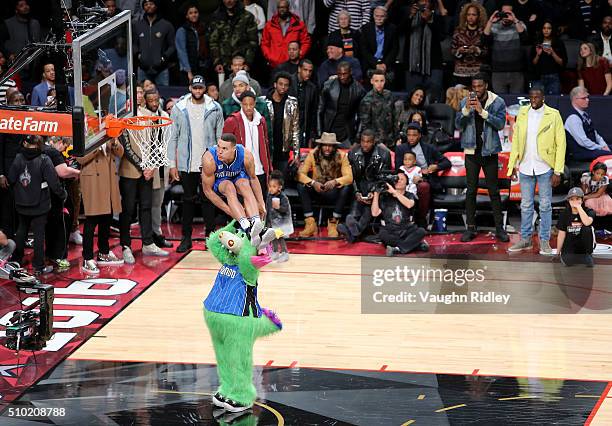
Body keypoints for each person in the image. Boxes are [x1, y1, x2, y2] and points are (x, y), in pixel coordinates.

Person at [168, 75, 225, 252]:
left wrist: (220, 161)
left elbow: (220, 137)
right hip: (187, 162)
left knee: (209, 199)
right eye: (195, 88)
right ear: (190, 88)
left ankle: (211, 238)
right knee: (188, 200)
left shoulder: (215, 108)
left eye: (201, 88)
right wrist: (172, 164)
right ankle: (186, 238)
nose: (198, 91)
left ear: (204, 89)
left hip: (209, 163)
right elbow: (173, 137)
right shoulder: (179, 108)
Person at [508, 86, 566, 255]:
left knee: (545, 205)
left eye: (537, 97)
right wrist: (512, 166)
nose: (534, 100)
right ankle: (525, 239)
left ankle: (544, 241)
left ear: (543, 98)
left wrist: (558, 170)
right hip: (526, 165)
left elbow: (561, 143)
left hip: (545, 166)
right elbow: (517, 142)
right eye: (531, 97)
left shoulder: (553, 114)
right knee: (526, 205)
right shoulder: (523, 113)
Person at [455, 73, 509, 242]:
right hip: (471, 152)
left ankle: (500, 229)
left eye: (479, 86)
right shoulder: (465, 102)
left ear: (486, 85)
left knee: (494, 191)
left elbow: (500, 124)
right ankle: (470, 228)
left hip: (489, 151)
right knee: (471, 191)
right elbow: (457, 125)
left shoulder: (497, 101)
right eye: (474, 87)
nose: (476, 90)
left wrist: (482, 112)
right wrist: (466, 111)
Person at [201, 134, 276, 247]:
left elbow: (253, 178)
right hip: (220, 183)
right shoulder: (209, 159)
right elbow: (207, 191)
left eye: (224, 148)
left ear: (234, 149)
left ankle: (257, 226)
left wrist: (261, 204)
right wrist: (229, 211)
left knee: (244, 183)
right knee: (229, 186)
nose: (219, 151)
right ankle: (247, 227)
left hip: (238, 178)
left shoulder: (246, 156)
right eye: (219, 147)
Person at [9, 136, 67, 275]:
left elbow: (11, 178)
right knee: (39, 235)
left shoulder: (18, 158)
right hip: (40, 203)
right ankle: (38, 266)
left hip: (21, 202)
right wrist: (62, 194)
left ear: (24, 143)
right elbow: (54, 182)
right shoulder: (44, 159)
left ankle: (16, 260)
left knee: (22, 231)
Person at [76, 138, 124, 274]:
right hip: (93, 181)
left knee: (107, 217)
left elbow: (120, 153)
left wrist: (114, 142)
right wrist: (97, 146)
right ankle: (87, 258)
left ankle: (104, 252)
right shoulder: (85, 134)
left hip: (108, 179)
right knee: (91, 220)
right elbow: (80, 159)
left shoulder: (109, 134)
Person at [338, 129, 391, 243]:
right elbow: (351, 176)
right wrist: (357, 192)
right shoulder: (353, 153)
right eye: (363, 141)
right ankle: (354, 230)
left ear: (374, 142)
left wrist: (374, 192)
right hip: (359, 187)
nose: (365, 144)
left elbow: (383, 177)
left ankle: (353, 233)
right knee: (356, 209)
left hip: (377, 189)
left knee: (368, 207)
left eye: (368, 142)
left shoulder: (384, 154)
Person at [395, 122, 451, 228]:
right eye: (409, 135)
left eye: (414, 135)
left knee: (423, 186)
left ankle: (421, 219)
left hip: (425, 178)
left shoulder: (429, 148)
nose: (411, 138)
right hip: (406, 179)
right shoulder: (401, 149)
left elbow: (447, 162)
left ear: (420, 135)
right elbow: (398, 170)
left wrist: (435, 167)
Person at [296, 132, 353, 237]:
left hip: (332, 191)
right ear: (321, 145)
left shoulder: (342, 156)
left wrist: (335, 182)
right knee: (300, 185)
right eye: (325, 145)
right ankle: (310, 224)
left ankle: (333, 222)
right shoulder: (313, 154)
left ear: (334, 147)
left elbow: (349, 177)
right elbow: (300, 174)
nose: (327, 148)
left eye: (330, 146)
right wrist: (313, 183)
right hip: (316, 189)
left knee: (347, 187)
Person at [141, 89, 173, 249]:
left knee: (158, 203)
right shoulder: (144, 117)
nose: (154, 103)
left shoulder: (165, 117)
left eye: (156, 100)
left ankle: (156, 233)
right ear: (145, 101)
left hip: (162, 166)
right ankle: (154, 235)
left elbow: (169, 143)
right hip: (147, 167)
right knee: (150, 204)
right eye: (150, 100)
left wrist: (172, 165)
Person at [223, 91, 272, 195]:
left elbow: (266, 146)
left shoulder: (261, 121)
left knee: (259, 205)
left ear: (255, 104)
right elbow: (223, 147)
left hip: (259, 170)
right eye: (245, 104)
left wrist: (268, 168)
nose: (248, 107)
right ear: (241, 104)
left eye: (251, 104)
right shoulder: (232, 121)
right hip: (240, 172)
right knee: (242, 205)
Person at [371, 172, 429, 256]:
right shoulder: (385, 196)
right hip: (389, 230)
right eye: (397, 179)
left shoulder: (410, 195)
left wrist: (394, 192)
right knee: (383, 235)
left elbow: (409, 204)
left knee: (421, 231)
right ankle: (415, 244)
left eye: (402, 179)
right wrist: (376, 194)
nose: (398, 181)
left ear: (407, 184)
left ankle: (397, 249)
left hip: (406, 229)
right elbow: (374, 213)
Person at [403, 0, 445, 102]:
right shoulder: (408, 14)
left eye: (426, 1)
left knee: (433, 98)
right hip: (413, 66)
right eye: (422, 1)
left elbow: (441, 36)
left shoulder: (437, 17)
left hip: (433, 66)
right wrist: (411, 16)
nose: (424, 4)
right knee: (413, 99)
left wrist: (430, 21)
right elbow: (400, 31)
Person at [484, 3, 529, 94]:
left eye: (509, 13)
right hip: (498, 71)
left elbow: (525, 39)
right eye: (503, 13)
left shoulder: (519, 25)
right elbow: (484, 40)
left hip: (516, 71)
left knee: (516, 102)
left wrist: (515, 20)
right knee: (499, 101)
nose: (505, 16)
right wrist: (490, 21)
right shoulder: (494, 26)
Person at [318, 62, 366, 147]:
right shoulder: (328, 86)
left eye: (344, 74)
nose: (342, 77)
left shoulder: (359, 90)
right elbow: (320, 110)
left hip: (347, 134)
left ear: (350, 72)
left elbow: (361, 116)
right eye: (339, 74)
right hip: (328, 131)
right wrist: (319, 133)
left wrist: (357, 139)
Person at [208, 0, 259, 75]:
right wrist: (217, 62)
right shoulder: (216, 17)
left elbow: (253, 41)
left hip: (242, 65)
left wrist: (247, 62)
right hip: (222, 65)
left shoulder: (247, 17)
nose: (229, 1)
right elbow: (213, 42)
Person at [263, 73, 300, 174]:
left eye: (286, 85)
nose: (283, 87)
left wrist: (296, 154)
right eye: (280, 84)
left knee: (281, 181)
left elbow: (295, 129)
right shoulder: (263, 102)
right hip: (267, 147)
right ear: (275, 84)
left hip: (283, 148)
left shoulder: (292, 103)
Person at [133, 0, 175, 86]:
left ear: (156, 6)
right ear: (143, 7)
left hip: (161, 70)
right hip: (143, 69)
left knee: (163, 96)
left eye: (151, 4)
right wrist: (138, 55)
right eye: (146, 4)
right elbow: (134, 44)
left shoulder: (166, 25)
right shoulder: (137, 25)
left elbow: (172, 46)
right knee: (142, 96)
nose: (148, 6)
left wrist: (164, 57)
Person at [564, 86, 612, 161]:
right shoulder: (573, 118)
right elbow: (583, 141)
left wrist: (604, 145)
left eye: (587, 97)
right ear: (574, 99)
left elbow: (596, 135)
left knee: (609, 148)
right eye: (584, 98)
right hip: (582, 153)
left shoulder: (584, 114)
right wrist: (600, 148)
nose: (587, 100)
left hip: (592, 148)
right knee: (609, 154)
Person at [261, 0, 311, 69]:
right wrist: (270, 57)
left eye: (284, 7)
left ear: (288, 8)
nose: (282, 9)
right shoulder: (269, 25)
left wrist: (299, 54)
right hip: (274, 64)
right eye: (279, 7)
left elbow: (305, 42)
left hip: (293, 64)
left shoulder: (298, 24)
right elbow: (264, 43)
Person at [556, 187, 596, 267]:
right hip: (570, 244)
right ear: (568, 201)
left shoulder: (589, 211)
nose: (575, 201)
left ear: (582, 200)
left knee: (587, 228)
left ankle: (588, 255)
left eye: (577, 199)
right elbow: (561, 234)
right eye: (572, 199)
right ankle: (579, 258)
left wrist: (579, 207)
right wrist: (557, 253)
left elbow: (587, 222)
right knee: (568, 260)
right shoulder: (564, 214)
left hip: (583, 246)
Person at [451, 2, 488, 87]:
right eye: (468, 15)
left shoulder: (483, 33)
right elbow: (452, 50)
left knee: (474, 98)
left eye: (474, 15)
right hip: (460, 73)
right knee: (461, 97)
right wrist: (459, 51)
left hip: (477, 73)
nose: (470, 17)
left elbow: (486, 51)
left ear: (478, 16)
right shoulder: (458, 32)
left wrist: (476, 50)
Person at [359, 70, 397, 148]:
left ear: (385, 81)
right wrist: (375, 141)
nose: (379, 84)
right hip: (375, 142)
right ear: (372, 81)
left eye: (381, 81)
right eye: (376, 81)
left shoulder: (389, 95)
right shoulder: (367, 100)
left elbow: (394, 118)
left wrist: (397, 137)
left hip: (391, 140)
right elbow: (365, 125)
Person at [359, 6, 398, 81]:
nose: (379, 18)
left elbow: (394, 49)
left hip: (386, 64)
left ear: (386, 17)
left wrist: (385, 64)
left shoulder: (392, 29)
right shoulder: (366, 28)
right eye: (377, 16)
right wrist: (376, 64)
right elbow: (364, 50)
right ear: (373, 16)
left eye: (382, 16)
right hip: (370, 63)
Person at [175, 3, 209, 85]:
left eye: (195, 12)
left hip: (202, 67)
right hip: (188, 69)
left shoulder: (204, 28)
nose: (194, 15)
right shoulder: (182, 30)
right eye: (190, 13)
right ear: (187, 16)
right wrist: (188, 71)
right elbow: (181, 52)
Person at [530, 20, 567, 95]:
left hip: (554, 77)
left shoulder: (558, 43)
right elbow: (533, 63)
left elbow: (562, 63)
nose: (546, 30)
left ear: (552, 30)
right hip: (539, 78)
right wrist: (538, 54)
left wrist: (553, 53)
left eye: (549, 28)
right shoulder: (537, 43)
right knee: (538, 103)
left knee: (554, 102)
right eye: (544, 28)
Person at [288, 59, 318, 147]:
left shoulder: (312, 88)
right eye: (305, 70)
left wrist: (312, 136)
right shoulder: (288, 82)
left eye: (310, 71)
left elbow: (313, 113)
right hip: (287, 125)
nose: (308, 73)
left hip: (303, 127)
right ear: (299, 69)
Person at [265, 170, 293, 261]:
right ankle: (275, 252)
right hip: (271, 222)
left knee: (280, 238)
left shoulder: (283, 197)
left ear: (280, 187)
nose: (271, 189)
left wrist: (279, 208)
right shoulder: (269, 196)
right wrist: (266, 221)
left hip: (280, 223)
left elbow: (285, 210)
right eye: (270, 186)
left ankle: (285, 252)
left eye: (274, 186)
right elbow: (268, 208)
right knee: (273, 238)